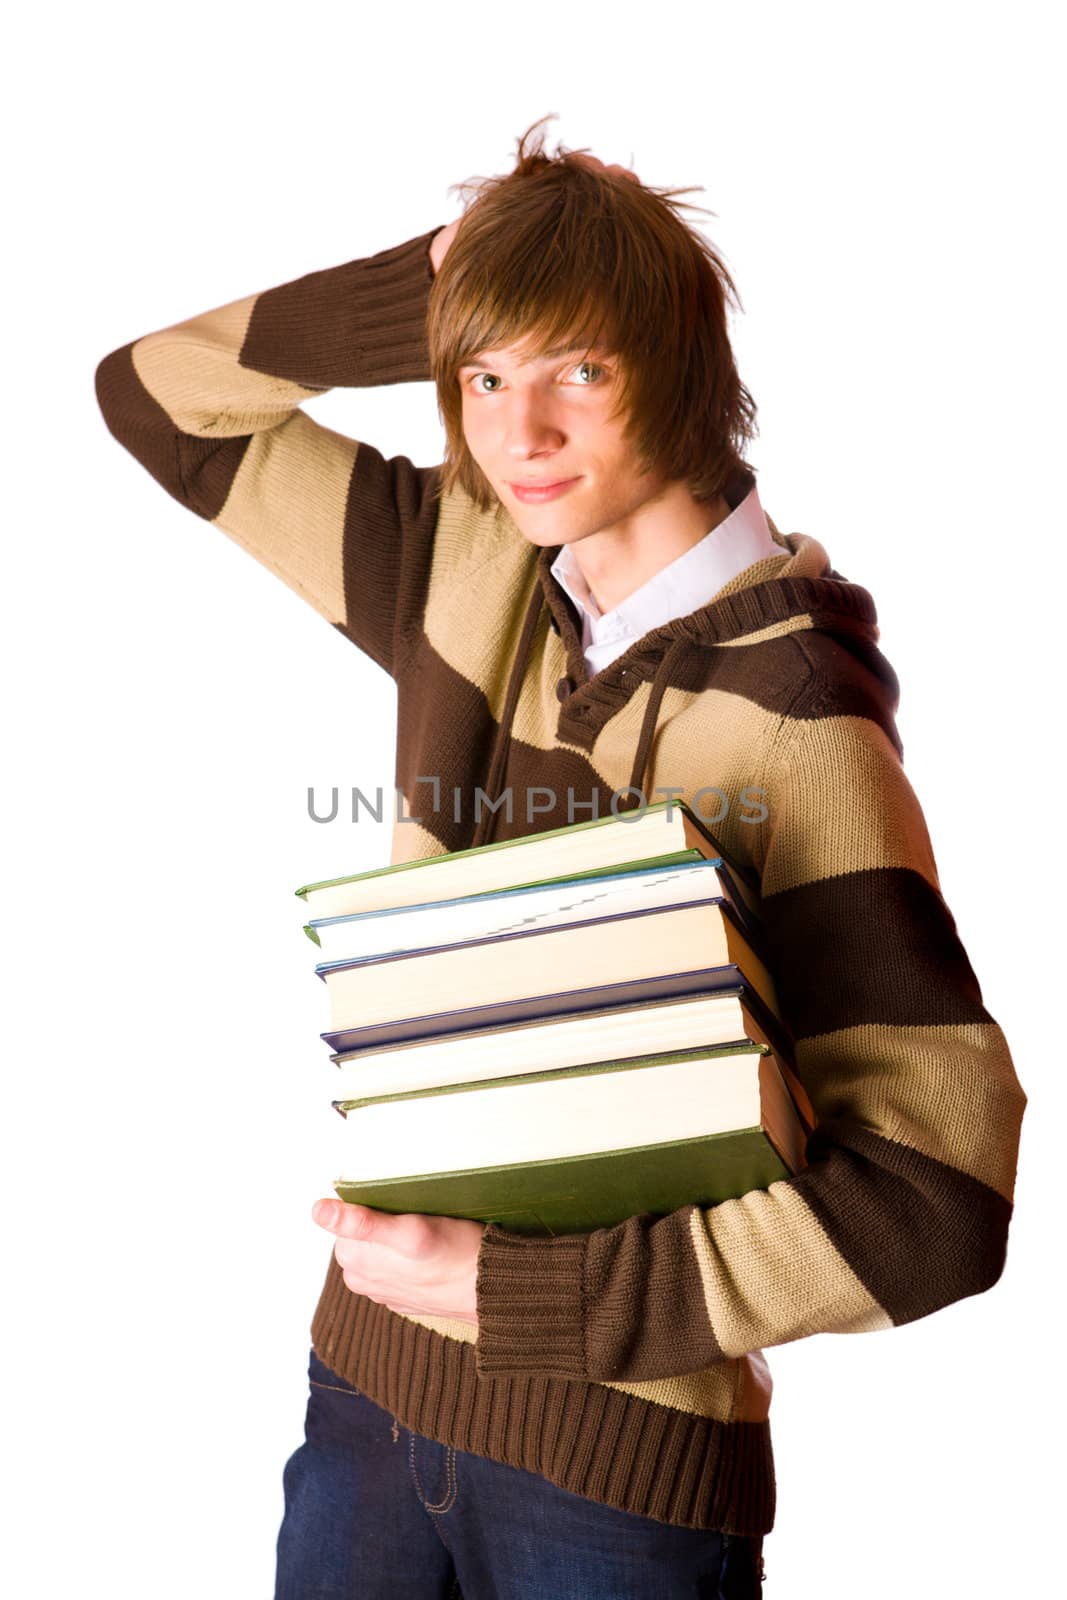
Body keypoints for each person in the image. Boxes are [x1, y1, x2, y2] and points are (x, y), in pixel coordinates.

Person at [94, 115, 1026, 1599]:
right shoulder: (467, 564)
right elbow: (154, 397)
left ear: (685, 373)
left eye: (578, 369)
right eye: (481, 379)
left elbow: (935, 1205)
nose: (515, 434)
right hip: (369, 1403)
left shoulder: (797, 725)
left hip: (612, 1479)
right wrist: (442, 289)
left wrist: (521, 1297)